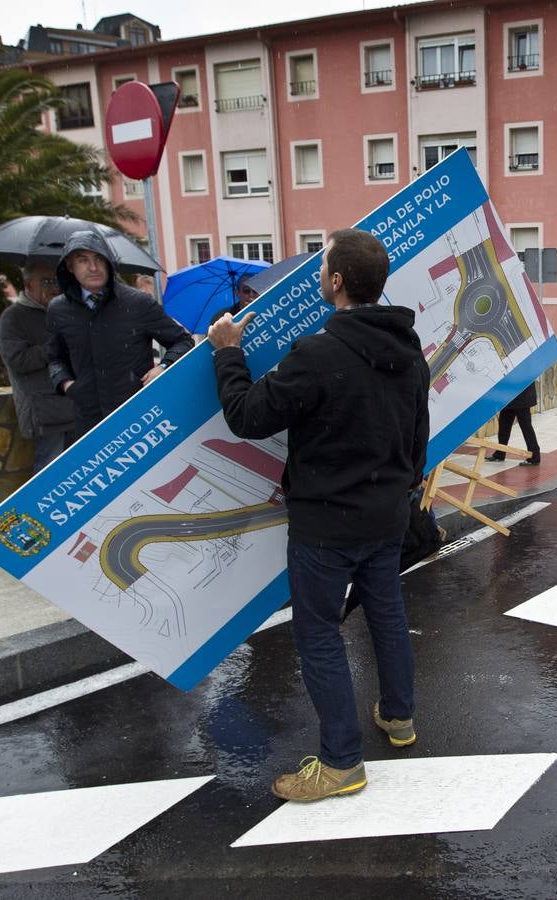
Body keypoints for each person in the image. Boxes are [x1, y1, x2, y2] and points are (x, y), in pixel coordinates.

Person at [207, 228, 430, 803]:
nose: (318, 273)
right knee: (385, 614)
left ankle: (340, 764)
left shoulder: (317, 353)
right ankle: (399, 718)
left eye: (322, 264)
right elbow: (417, 441)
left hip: (326, 526)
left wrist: (228, 352)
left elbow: (246, 416)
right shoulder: (411, 353)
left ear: (335, 282)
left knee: (318, 634)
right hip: (386, 517)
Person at [46, 231, 193, 437]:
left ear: (108, 263)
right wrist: (67, 384)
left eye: (99, 259)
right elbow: (55, 359)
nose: (93, 267)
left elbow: (183, 342)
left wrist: (163, 367)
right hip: (88, 423)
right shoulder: (59, 309)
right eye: (83, 260)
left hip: (138, 419)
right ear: (70, 266)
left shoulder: (137, 303)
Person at [0, 264, 76, 471]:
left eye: (57, 281)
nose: (54, 287)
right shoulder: (13, 317)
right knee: (51, 473)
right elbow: (18, 360)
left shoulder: (65, 311)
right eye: (46, 282)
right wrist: (55, 346)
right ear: (27, 284)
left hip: (76, 406)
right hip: (45, 413)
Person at [487, 382, 541, 466]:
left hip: (522, 395)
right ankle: (500, 453)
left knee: (526, 426)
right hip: (509, 395)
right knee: (503, 426)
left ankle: (535, 457)